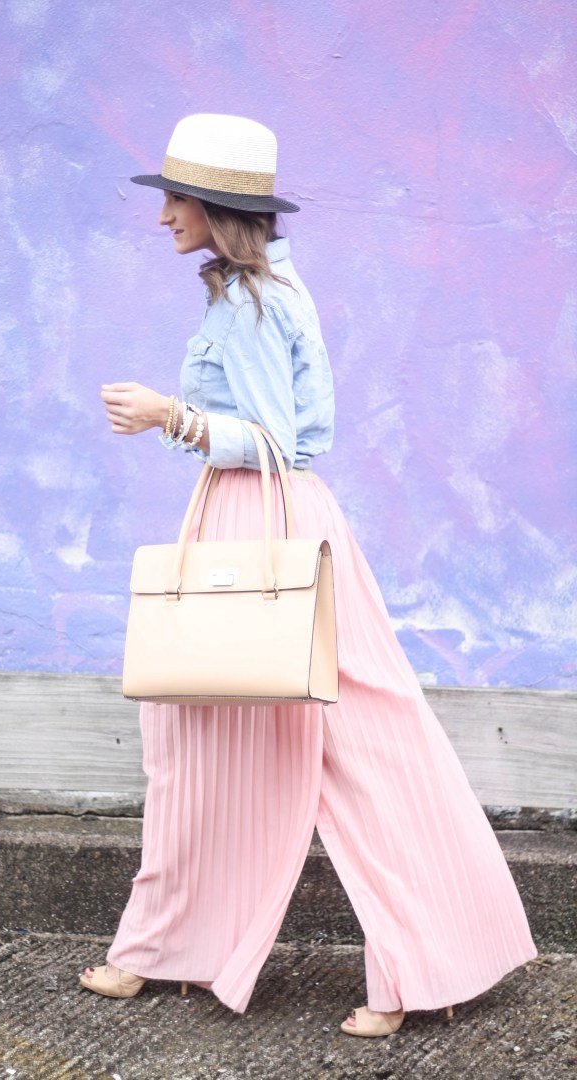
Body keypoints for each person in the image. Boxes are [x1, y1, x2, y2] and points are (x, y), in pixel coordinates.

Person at [80, 114, 536, 1037]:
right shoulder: (252, 290)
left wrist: (173, 415)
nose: (163, 212)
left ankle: (420, 964)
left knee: (343, 747)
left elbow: (281, 442)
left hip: (268, 525)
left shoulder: (254, 301)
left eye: (176, 197)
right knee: (210, 747)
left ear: (218, 209)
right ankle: (164, 949)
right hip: (260, 525)